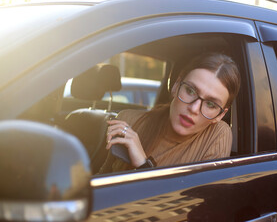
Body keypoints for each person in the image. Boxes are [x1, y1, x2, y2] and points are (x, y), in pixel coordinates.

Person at [99, 52, 241, 173]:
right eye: (190, 91)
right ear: (175, 86)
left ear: (220, 115)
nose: (194, 108)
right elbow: (100, 182)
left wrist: (143, 165)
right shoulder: (128, 121)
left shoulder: (217, 134)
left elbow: (197, 203)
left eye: (210, 104)